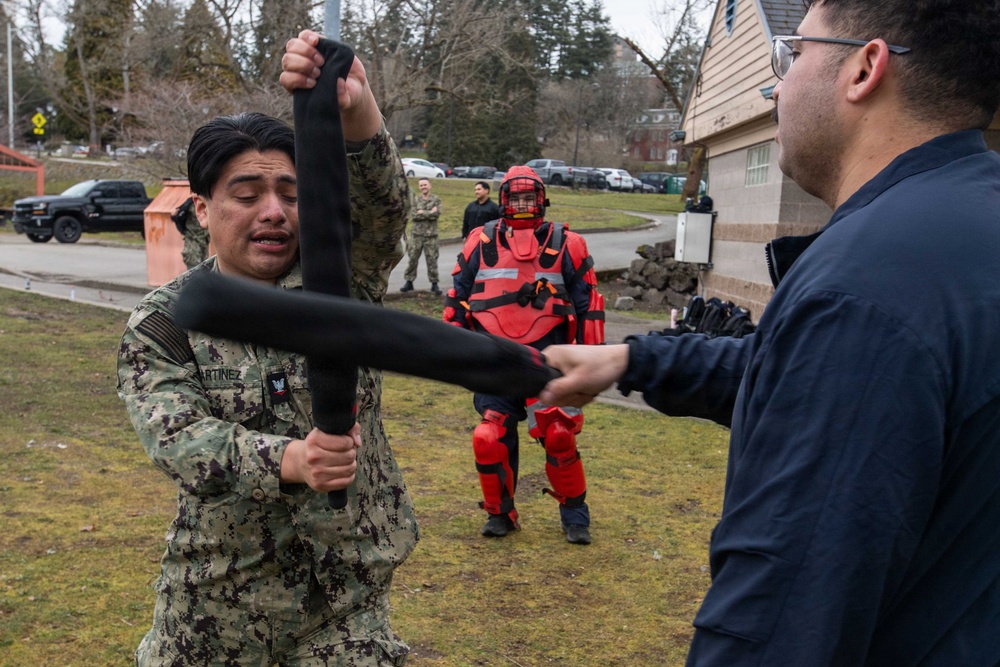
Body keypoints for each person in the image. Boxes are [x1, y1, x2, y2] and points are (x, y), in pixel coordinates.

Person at [540, 0, 1000, 664]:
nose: (775, 85)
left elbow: (784, 613)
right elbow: (799, 373)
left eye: (793, 54)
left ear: (865, 68)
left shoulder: (864, 288)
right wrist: (632, 360)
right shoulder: (966, 224)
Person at [117, 30, 418, 666]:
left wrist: (355, 104)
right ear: (201, 209)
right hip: (215, 600)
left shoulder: (345, 282)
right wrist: (292, 460)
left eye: (289, 193)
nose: (274, 212)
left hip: (345, 597)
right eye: (248, 196)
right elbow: (176, 438)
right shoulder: (167, 319)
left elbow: (382, 207)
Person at [444, 165, 605, 545]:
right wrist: (455, 351)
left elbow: (589, 307)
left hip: (550, 361)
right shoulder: (478, 242)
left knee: (559, 435)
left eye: (528, 198)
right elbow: (456, 299)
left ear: (541, 200)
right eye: (514, 198)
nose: (521, 205)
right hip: (493, 359)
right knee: (488, 435)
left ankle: (575, 517)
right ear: (503, 201)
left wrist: (591, 362)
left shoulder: (569, 243)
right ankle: (500, 513)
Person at [399, 177, 442, 295]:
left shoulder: (436, 199)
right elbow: (414, 216)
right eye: (421, 185)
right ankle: (409, 282)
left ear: (430, 186)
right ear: (419, 187)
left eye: (425, 185)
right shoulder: (416, 200)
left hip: (431, 236)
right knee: (412, 259)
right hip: (417, 235)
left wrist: (422, 212)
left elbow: (437, 214)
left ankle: (434, 284)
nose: (423, 187)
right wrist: (430, 212)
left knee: (432, 260)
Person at [171, 196, 211, 269]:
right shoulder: (190, 203)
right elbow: (177, 215)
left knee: (205, 266)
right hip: (192, 241)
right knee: (193, 268)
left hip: (204, 241)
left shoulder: (207, 200)